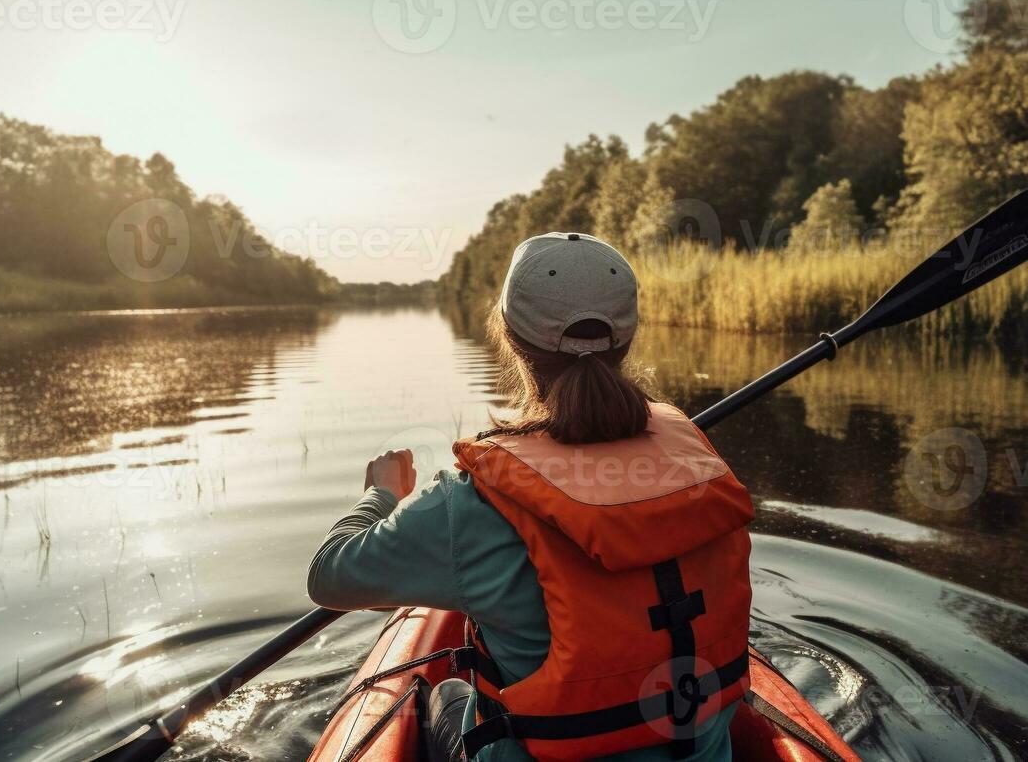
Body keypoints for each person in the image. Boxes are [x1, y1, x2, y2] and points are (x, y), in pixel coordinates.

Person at [309, 232, 754, 761]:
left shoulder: (472, 501)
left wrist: (382, 495)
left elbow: (328, 576)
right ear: (629, 338)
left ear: (508, 337)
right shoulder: (697, 461)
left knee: (449, 694)